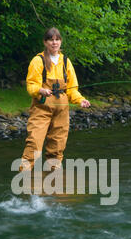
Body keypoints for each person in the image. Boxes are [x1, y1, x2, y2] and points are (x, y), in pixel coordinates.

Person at [19, 27, 91, 172]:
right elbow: (31, 85)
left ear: (60, 41)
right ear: (45, 42)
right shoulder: (37, 60)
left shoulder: (66, 61)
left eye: (57, 39)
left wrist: (80, 100)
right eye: (51, 40)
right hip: (42, 109)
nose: (54, 43)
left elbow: (72, 89)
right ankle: (23, 179)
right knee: (34, 144)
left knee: (57, 147)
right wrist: (40, 90)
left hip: (62, 110)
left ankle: (53, 181)